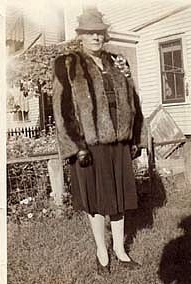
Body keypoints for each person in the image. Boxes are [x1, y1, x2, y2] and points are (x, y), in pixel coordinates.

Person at [52, 8, 144, 274]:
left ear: (105, 35)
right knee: (96, 200)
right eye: (90, 32)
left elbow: (133, 100)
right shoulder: (68, 64)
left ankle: (120, 251)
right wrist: (77, 147)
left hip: (119, 143)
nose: (96, 37)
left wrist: (135, 137)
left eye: (100, 33)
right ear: (81, 36)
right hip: (89, 146)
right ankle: (101, 252)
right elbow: (62, 109)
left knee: (119, 198)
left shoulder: (117, 61)